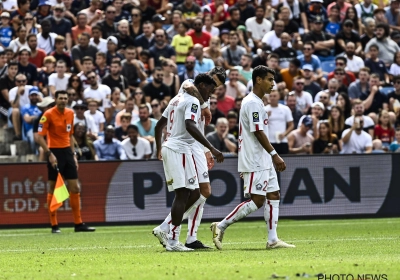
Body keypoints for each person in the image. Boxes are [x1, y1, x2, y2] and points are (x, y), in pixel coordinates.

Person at [210, 66, 294, 250]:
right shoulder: (252, 103)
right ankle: (221, 225)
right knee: (257, 200)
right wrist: (275, 155)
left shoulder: (256, 102)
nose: (273, 84)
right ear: (258, 80)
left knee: (273, 194)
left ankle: (273, 240)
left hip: (261, 157)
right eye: (270, 79)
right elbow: (258, 132)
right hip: (256, 158)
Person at [153, 73, 223, 251]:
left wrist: (159, 147)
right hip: (180, 148)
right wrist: (212, 148)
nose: (210, 95)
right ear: (200, 85)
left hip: (174, 147)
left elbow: (158, 125)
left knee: (194, 193)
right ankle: (173, 240)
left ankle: (168, 231)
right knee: (184, 194)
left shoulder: (176, 99)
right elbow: (190, 126)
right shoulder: (192, 101)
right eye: (209, 89)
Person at [36, 90, 95, 233]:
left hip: (67, 153)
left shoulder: (70, 113)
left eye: (65, 98)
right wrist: (49, 154)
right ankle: (54, 224)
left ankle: (78, 223)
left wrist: (73, 154)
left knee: (75, 187)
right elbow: (39, 137)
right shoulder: (48, 115)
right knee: (52, 187)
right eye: (60, 98)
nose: (63, 100)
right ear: (55, 99)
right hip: (54, 152)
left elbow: (70, 135)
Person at [264, 89, 294, 154]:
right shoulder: (264, 109)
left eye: (274, 96)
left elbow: (291, 125)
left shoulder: (285, 109)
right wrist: (266, 117)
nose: (272, 98)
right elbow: (261, 125)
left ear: (279, 97)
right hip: (269, 141)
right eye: (271, 96)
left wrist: (284, 134)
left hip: (282, 141)